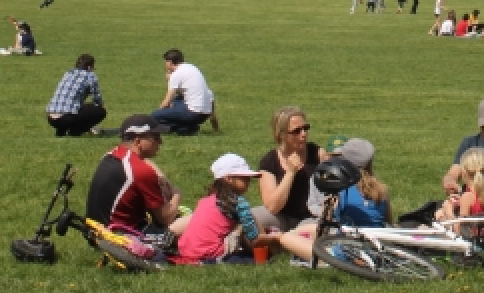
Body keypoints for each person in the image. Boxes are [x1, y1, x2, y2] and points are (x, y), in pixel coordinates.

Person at [175, 153, 312, 264]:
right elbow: (255, 239)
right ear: (228, 178)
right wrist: (278, 237)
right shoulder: (238, 202)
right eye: (244, 178)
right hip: (209, 254)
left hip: (186, 252)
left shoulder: (205, 200)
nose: (248, 182)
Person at [86, 114, 185, 237]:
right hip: (122, 238)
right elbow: (165, 218)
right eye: (155, 137)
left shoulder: (112, 154)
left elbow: (147, 163)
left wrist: (163, 179)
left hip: (96, 232)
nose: (160, 142)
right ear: (138, 141)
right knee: (194, 221)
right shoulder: (140, 171)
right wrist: (176, 194)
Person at [254, 105, 323, 234]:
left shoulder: (317, 154)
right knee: (251, 218)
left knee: (313, 228)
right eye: (297, 131)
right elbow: (272, 208)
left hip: (311, 218)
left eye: (305, 128)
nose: (303, 134)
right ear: (281, 135)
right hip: (281, 217)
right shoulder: (269, 161)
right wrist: (290, 173)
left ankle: (283, 239)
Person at [152, 49, 215, 135]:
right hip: (203, 115)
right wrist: (216, 128)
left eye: (165, 62)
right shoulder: (192, 67)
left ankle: (179, 127)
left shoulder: (176, 74)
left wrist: (156, 114)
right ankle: (186, 128)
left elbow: (167, 101)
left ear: (170, 62)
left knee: (155, 116)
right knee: (177, 100)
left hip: (192, 113)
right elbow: (184, 94)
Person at [332, 138, 392, 227]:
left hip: (347, 239)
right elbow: (388, 220)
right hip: (375, 238)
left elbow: (333, 220)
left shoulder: (343, 190)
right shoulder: (381, 190)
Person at [46, 53, 107, 137]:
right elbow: (97, 99)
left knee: (72, 107)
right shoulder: (90, 75)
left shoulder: (68, 73)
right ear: (89, 67)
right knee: (100, 111)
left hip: (51, 118)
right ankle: (75, 132)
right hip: (67, 118)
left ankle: (61, 132)